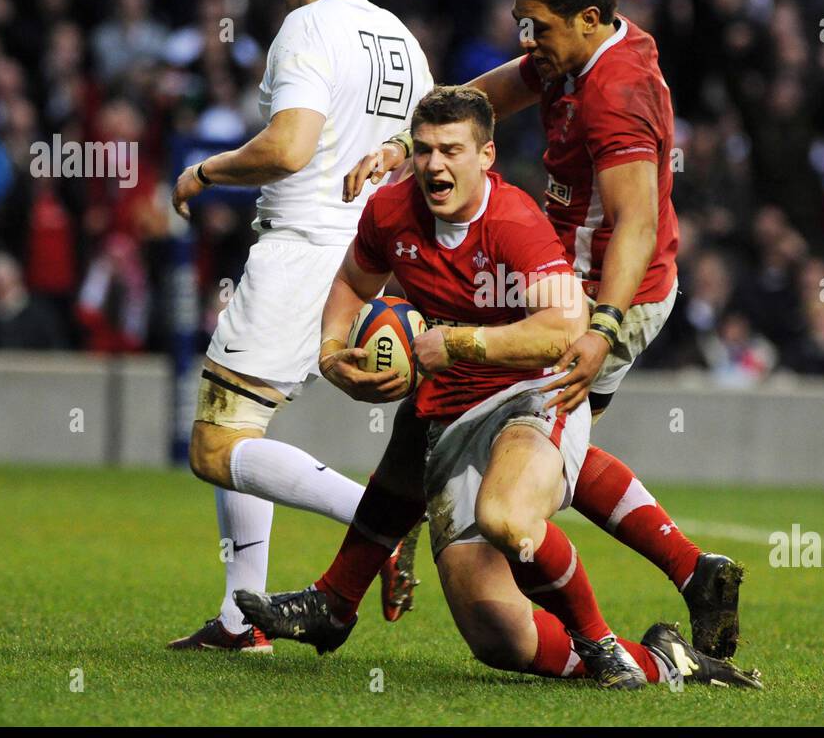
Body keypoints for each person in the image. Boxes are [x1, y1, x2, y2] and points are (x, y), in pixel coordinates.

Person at [236, 87, 760, 690]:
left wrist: (457, 343)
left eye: (452, 150)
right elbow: (353, 283)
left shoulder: (515, 224)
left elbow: (565, 327)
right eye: (426, 150)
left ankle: (601, 640)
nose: (436, 164)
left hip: (533, 396)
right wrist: (331, 354)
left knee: (508, 517)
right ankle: (667, 661)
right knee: (497, 636)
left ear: (486, 155)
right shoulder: (390, 211)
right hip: (450, 416)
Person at [343, 0, 745, 658]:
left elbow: (638, 226)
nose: (529, 41)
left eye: (540, 27)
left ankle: (605, 641)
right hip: (565, 276)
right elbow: (487, 97)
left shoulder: (615, 96)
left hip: (605, 291)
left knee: (523, 428)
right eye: (522, 24)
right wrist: (408, 146)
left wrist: (602, 328)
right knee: (544, 433)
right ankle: (693, 570)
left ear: (589, 19)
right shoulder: (575, 50)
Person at [165, 0, 433, 652]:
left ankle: (374, 516)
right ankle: (237, 620)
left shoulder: (306, 27)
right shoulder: (400, 38)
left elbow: (289, 146)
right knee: (242, 428)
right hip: (367, 262)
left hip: (303, 248)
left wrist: (207, 171)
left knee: (213, 446)